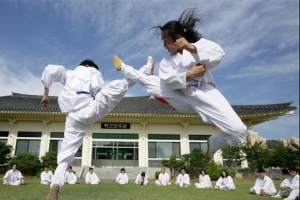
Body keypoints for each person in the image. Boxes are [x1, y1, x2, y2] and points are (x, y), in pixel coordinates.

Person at [113, 8, 247, 163]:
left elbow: (219, 54)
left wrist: (191, 48)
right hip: (179, 94)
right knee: (149, 81)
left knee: (238, 131)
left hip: (204, 93)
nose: (164, 45)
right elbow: (169, 79)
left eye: (166, 41)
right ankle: (123, 67)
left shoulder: (198, 45)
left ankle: (213, 144)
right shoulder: (166, 61)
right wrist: (189, 74)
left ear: (178, 38)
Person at [41, 58, 152, 200]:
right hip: (91, 108)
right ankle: (145, 71)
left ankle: (56, 184)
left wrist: (45, 95)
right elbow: (98, 86)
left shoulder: (69, 74)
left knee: (65, 155)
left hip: (72, 117)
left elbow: (49, 69)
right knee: (121, 84)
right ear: (90, 66)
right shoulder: (93, 71)